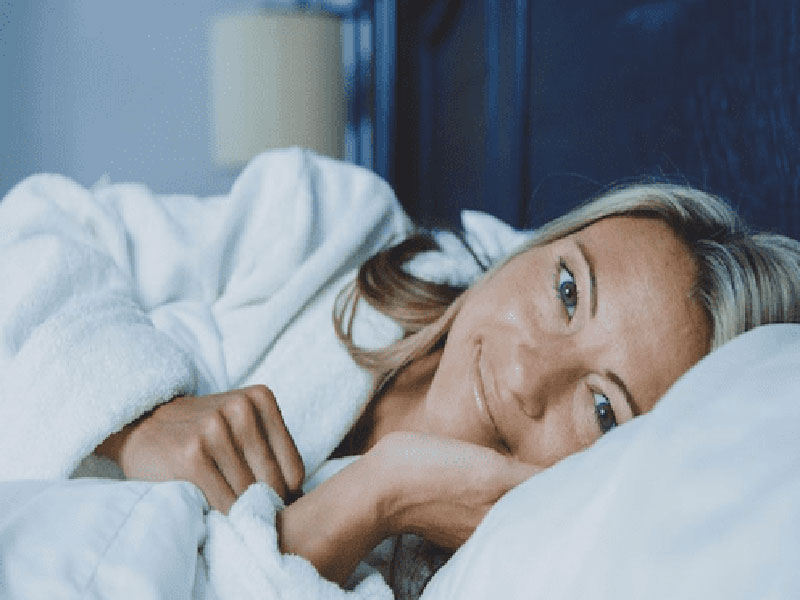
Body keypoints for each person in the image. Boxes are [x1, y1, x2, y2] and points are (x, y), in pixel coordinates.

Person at [2, 149, 800, 593]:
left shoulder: (499, 576)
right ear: (535, 245)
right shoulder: (334, 228)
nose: (525, 372)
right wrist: (138, 411)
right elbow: (40, 227)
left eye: (602, 408)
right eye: (566, 289)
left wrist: (379, 496)